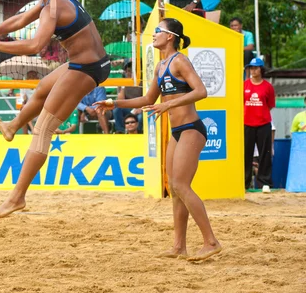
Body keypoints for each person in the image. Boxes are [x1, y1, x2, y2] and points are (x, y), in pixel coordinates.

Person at [0, 0, 111, 218]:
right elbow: (19, 21)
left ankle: (16, 198)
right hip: (86, 62)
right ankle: (12, 127)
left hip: (87, 68)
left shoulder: (52, 9)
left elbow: (35, 46)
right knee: (43, 87)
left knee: (43, 128)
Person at [94, 18, 221, 261]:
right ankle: (179, 246)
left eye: (157, 31)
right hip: (177, 131)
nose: (153, 35)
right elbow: (147, 99)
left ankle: (211, 241)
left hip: (191, 129)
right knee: (174, 188)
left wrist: (169, 103)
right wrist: (114, 103)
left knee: (182, 186)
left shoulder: (180, 61)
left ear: (170, 36)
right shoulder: (160, 66)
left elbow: (201, 91)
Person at [244, 57, 275, 190]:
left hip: (263, 124)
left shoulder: (268, 87)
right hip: (247, 124)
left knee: (265, 154)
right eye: (251, 68)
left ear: (261, 70)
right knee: (246, 154)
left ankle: (265, 182)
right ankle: (244, 183)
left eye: (256, 68)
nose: (253, 70)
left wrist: (259, 113)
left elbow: (270, 105)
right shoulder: (244, 85)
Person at [114, 61, 143, 133]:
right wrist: (123, 86)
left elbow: (146, 98)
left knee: (140, 117)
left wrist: (140, 108)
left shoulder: (142, 82)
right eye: (126, 71)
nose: (127, 73)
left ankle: (137, 132)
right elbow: (120, 101)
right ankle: (121, 131)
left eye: (129, 71)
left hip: (140, 106)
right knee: (117, 110)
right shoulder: (122, 83)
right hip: (128, 107)